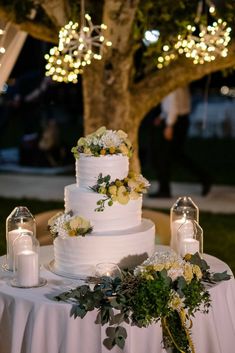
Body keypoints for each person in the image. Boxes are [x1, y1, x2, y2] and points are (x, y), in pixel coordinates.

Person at [149, 85, 212, 198]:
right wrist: (162, 116)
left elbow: (172, 104)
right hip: (180, 120)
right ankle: (204, 177)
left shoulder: (172, 82)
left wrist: (169, 125)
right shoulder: (182, 83)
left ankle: (164, 190)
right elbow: (174, 104)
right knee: (175, 154)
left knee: (163, 156)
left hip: (175, 122)